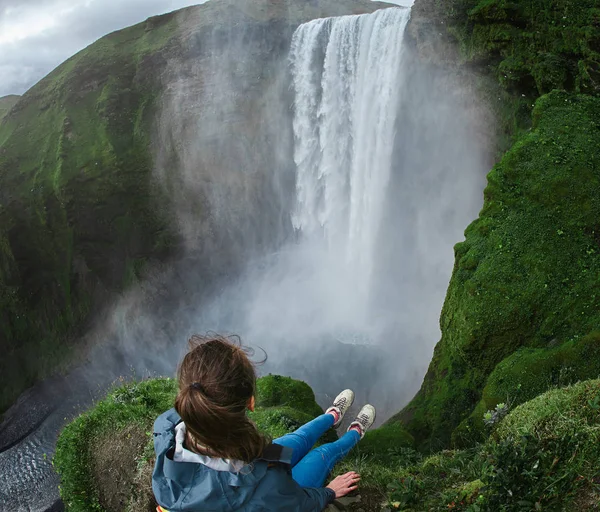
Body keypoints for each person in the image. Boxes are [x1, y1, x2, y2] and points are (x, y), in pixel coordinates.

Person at [152, 334, 376, 511]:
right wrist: (328, 492)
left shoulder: (167, 429)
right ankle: (356, 432)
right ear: (251, 403)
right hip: (252, 485)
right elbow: (298, 504)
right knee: (322, 454)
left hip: (242, 466)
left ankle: (331, 417)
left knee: (298, 439)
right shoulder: (266, 487)